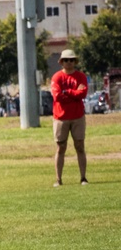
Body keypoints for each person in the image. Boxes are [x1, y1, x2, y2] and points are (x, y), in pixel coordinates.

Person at [50, 49, 89, 187]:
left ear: (75, 62)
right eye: (66, 60)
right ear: (61, 62)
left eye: (71, 60)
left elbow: (82, 94)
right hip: (60, 117)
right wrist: (74, 93)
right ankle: (58, 179)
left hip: (78, 116)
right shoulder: (56, 77)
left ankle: (83, 177)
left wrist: (67, 91)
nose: (69, 62)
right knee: (61, 147)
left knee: (80, 146)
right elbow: (57, 96)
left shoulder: (81, 76)